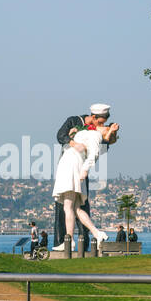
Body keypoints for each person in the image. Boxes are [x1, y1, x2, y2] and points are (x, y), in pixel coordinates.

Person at [52, 104, 111, 249]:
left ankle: (72, 241)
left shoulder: (95, 134)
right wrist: (73, 142)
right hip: (72, 166)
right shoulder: (74, 121)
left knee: (70, 206)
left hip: (74, 167)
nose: (101, 125)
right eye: (100, 122)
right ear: (93, 117)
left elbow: (98, 151)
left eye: (103, 124)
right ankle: (92, 235)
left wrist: (85, 169)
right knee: (75, 208)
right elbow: (60, 136)